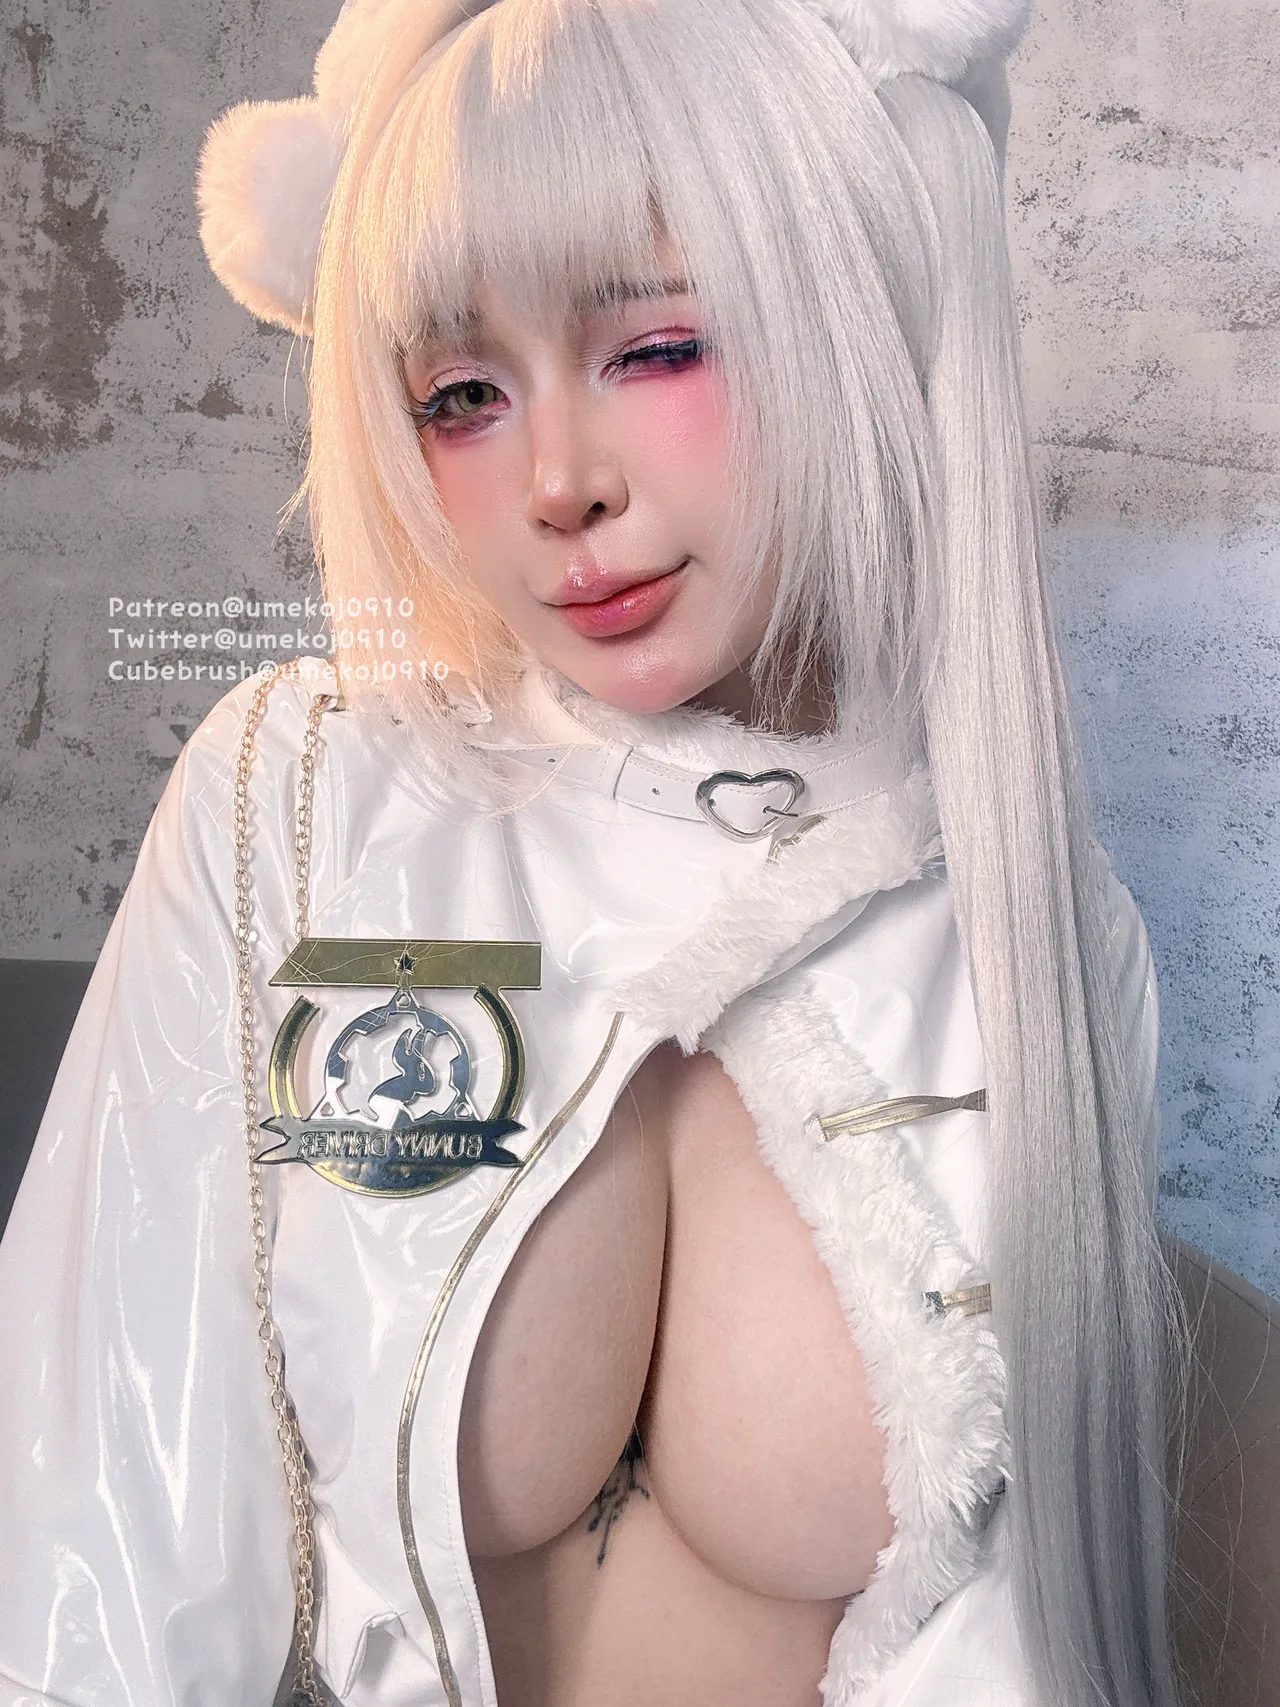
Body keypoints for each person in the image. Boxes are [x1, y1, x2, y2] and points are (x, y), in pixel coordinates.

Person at [0, 0, 1183, 1703]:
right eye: (464, 392)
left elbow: (1020, 1643)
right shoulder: (298, 801)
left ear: (845, 301)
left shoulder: (1037, 936)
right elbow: (96, 1550)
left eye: (655, 346)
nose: (558, 481)